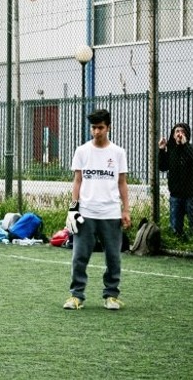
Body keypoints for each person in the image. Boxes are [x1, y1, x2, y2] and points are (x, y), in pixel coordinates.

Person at [63, 109, 130, 311]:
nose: (96, 131)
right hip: (86, 213)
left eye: (100, 127)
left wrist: (125, 210)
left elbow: (122, 183)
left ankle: (111, 295)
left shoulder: (118, 153)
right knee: (79, 256)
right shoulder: (82, 151)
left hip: (110, 213)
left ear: (108, 127)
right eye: (93, 127)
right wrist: (73, 210)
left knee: (113, 257)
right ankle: (77, 296)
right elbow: (77, 182)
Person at [158, 123, 193, 240]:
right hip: (176, 195)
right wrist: (162, 150)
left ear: (187, 134)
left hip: (191, 195)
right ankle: (177, 243)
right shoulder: (171, 151)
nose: (179, 134)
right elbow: (162, 167)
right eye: (177, 131)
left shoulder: (192, 148)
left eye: (182, 131)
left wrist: (185, 145)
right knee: (175, 227)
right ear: (173, 135)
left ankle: (192, 245)